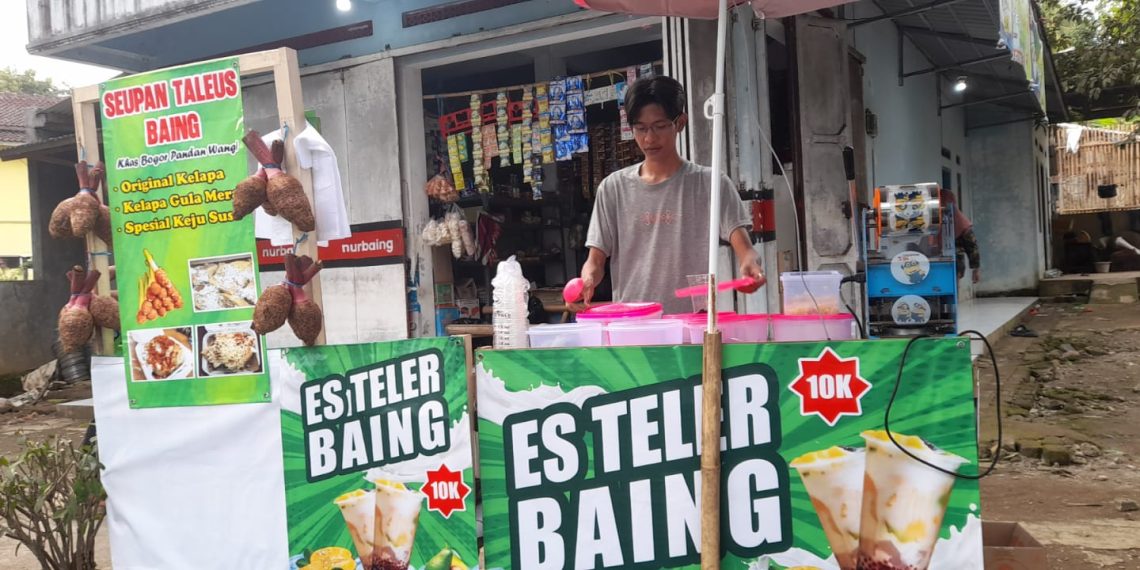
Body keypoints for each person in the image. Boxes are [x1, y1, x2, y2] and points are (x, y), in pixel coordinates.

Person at [577, 76, 764, 314]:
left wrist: (750, 264)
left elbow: (745, 250)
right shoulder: (612, 189)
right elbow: (595, 261)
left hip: (693, 326)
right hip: (633, 325)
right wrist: (587, 280)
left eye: (660, 126)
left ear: (680, 122)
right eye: (641, 128)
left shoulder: (711, 183)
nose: (649, 138)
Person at [941, 188, 981, 284]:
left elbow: (972, 247)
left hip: (953, 266)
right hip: (934, 264)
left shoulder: (961, 223)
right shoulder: (930, 221)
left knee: (952, 290)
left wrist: (975, 269)